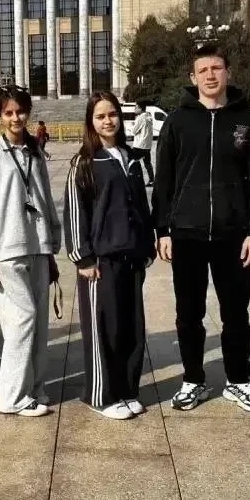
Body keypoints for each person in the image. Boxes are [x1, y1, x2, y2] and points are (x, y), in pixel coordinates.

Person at [154, 43, 250, 413]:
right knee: (188, 313)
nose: (210, 75)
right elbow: (164, 180)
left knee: (235, 313)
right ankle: (193, 380)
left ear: (228, 73)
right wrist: (163, 229)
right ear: (193, 77)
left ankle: (238, 380)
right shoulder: (177, 121)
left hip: (233, 234)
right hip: (186, 233)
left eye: (216, 68)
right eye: (203, 69)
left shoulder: (249, 120)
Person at [0, 86, 61, 417]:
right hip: (7, 249)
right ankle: (11, 396)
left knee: (38, 324)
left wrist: (52, 240)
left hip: (37, 245)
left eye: (20, 111)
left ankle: (34, 388)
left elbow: (45, 197)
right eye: (8, 112)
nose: (15, 118)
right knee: (22, 320)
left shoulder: (35, 151)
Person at [63, 91, 154, 420]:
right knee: (104, 330)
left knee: (131, 327)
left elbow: (141, 206)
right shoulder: (85, 162)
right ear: (91, 122)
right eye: (100, 116)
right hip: (101, 262)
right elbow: (76, 212)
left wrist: (147, 246)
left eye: (112, 114)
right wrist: (82, 257)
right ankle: (100, 395)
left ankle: (127, 389)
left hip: (131, 257)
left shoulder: (130, 157)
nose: (107, 121)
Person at [132, 100, 156, 185]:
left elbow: (134, 131)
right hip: (147, 145)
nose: (134, 109)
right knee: (147, 164)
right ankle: (152, 180)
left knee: (131, 161)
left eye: (136, 107)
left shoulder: (140, 118)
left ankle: (134, 180)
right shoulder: (149, 116)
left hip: (139, 145)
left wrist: (133, 125)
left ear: (140, 108)